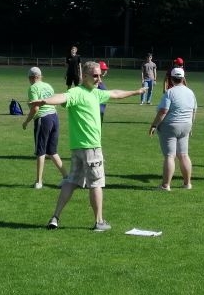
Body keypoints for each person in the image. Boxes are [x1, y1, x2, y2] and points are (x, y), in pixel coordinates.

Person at [33, 60, 145, 231]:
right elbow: (62, 97)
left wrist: (136, 91)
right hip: (91, 148)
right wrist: (44, 101)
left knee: (71, 182)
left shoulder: (96, 93)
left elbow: (115, 93)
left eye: (100, 75)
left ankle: (55, 217)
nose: (99, 78)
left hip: (77, 148)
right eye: (95, 75)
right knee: (96, 184)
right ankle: (99, 222)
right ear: (84, 76)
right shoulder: (76, 92)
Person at [149, 67, 197, 190]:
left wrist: (154, 125)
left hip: (170, 126)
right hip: (186, 125)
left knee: (170, 156)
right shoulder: (190, 92)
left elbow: (163, 111)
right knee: (184, 155)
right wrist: (191, 125)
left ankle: (166, 185)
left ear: (171, 78)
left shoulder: (169, 92)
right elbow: (194, 110)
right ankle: (187, 183)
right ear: (183, 78)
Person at [22, 66, 65, 188]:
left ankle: (38, 181)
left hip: (43, 119)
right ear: (40, 76)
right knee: (52, 151)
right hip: (54, 118)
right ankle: (67, 177)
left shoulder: (33, 88)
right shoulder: (48, 86)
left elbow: (35, 108)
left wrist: (26, 122)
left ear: (31, 77)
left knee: (40, 151)